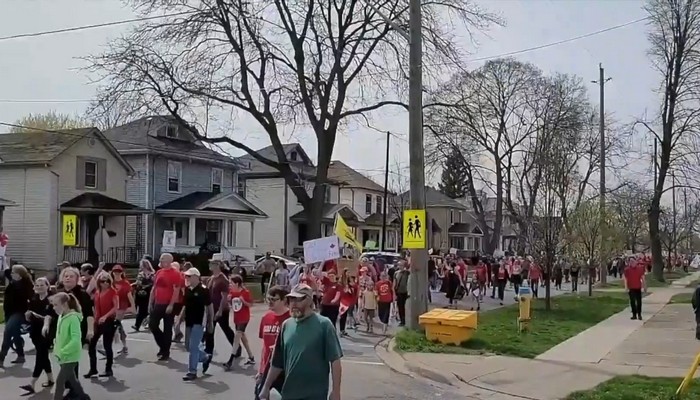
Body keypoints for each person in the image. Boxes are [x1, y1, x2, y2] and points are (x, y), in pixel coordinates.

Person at [259, 284, 343, 400]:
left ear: (309, 301)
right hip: (289, 393)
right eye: (291, 299)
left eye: (298, 300)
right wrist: (266, 387)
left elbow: (335, 361)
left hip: (315, 395)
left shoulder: (324, 325)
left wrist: (336, 391)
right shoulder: (287, 325)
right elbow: (277, 362)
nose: (293, 304)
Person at [56, 267, 94, 399]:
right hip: (61, 331)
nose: (68, 278)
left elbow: (89, 313)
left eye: (71, 276)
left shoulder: (82, 294)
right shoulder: (59, 293)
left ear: (77, 279)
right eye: (66, 276)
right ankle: (73, 387)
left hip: (76, 330)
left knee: (71, 359)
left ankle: (73, 390)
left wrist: (90, 330)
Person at [51, 292, 91, 400]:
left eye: (56, 305)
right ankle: (83, 396)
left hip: (71, 355)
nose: (53, 308)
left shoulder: (73, 318)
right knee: (72, 379)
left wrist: (63, 351)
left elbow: (76, 339)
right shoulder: (61, 317)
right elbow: (59, 335)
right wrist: (56, 346)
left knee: (60, 382)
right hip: (63, 356)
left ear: (64, 304)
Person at [20, 277, 56, 395]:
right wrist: (28, 315)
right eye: (37, 285)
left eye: (42, 285)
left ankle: (32, 383)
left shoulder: (51, 300)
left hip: (46, 332)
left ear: (47, 286)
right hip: (35, 331)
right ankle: (50, 379)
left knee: (40, 356)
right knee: (43, 356)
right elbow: (29, 314)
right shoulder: (33, 298)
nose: (39, 287)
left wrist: (37, 316)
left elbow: (50, 317)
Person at [254, 285, 290, 399]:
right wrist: (260, 370)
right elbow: (265, 346)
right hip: (267, 369)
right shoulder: (266, 317)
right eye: (269, 299)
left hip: (284, 369)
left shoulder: (291, 320)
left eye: (274, 299)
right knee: (259, 395)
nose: (270, 302)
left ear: (284, 300)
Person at [180, 267, 214, 381]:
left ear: (196, 277)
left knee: (193, 346)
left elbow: (209, 307)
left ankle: (192, 371)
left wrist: (211, 322)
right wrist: (179, 320)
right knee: (188, 346)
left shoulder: (204, 290)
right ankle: (205, 357)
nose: (187, 278)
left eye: (189, 276)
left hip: (199, 321)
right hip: (189, 321)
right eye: (186, 276)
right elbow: (185, 306)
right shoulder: (187, 289)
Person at [149, 253, 183, 361]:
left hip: (168, 304)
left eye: (162, 259)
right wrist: (150, 302)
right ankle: (162, 345)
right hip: (158, 303)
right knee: (152, 325)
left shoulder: (175, 274)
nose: (160, 260)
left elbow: (176, 290)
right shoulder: (159, 272)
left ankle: (165, 351)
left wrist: (171, 304)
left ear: (168, 261)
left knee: (168, 328)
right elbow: (154, 288)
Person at [85, 271, 119, 378]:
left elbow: (115, 307)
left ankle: (108, 369)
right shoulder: (97, 292)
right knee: (92, 345)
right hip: (98, 320)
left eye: (107, 281)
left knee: (107, 345)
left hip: (108, 321)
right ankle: (93, 368)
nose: (105, 283)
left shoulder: (113, 292)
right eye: (102, 281)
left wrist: (105, 316)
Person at [0, 264, 33, 367]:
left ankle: (1, 358)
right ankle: (21, 355)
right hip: (9, 312)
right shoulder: (13, 281)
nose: (11, 274)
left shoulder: (25, 285)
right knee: (15, 333)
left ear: (19, 275)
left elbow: (30, 299)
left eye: (13, 272)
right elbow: (6, 272)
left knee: (7, 332)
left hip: (18, 313)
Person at [204, 259, 235, 358]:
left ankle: (236, 347)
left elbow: (224, 297)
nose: (209, 265)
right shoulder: (211, 278)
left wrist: (220, 311)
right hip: (211, 308)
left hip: (221, 309)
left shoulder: (223, 279)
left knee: (226, 329)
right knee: (210, 330)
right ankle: (208, 351)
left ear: (217, 265)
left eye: (212, 263)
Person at [224, 274, 255, 370]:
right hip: (237, 317)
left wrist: (244, 301)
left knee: (237, 336)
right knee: (242, 337)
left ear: (237, 283)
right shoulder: (232, 292)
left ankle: (231, 359)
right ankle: (251, 356)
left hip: (244, 317)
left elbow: (250, 304)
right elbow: (232, 305)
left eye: (231, 283)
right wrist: (228, 300)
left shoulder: (245, 292)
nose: (230, 285)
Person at [111, 265, 134, 355]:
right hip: (112, 307)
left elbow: (129, 296)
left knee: (114, 325)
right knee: (118, 326)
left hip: (121, 307)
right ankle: (124, 345)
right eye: (115, 272)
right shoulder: (110, 282)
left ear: (121, 273)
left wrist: (132, 306)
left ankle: (109, 348)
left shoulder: (125, 283)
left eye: (119, 272)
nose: (117, 274)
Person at [132, 259, 155, 332]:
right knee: (141, 309)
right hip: (140, 293)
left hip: (148, 293)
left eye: (141, 265)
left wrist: (146, 285)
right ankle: (138, 324)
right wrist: (135, 284)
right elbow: (138, 282)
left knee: (145, 310)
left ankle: (139, 324)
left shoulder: (152, 274)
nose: (140, 266)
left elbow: (153, 283)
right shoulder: (140, 274)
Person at [393, 260, 410, 326]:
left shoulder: (407, 273)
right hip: (399, 292)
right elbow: (394, 283)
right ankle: (402, 320)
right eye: (399, 265)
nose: (400, 267)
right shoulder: (396, 273)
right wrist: (394, 293)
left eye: (401, 265)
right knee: (400, 306)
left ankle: (406, 319)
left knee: (406, 306)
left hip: (405, 292)